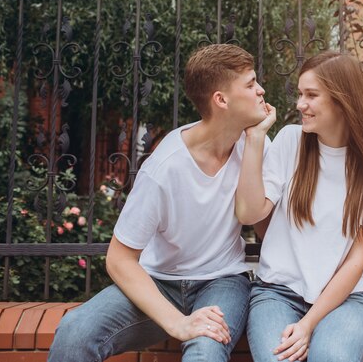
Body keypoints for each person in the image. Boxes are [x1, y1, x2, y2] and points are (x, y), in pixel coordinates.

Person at [48, 44, 272, 362]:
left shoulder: (256, 144)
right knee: (74, 333)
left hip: (224, 280)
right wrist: (177, 323)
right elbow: (120, 259)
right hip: (160, 283)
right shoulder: (165, 167)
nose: (261, 89)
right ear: (221, 100)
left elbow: (258, 219)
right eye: (250, 84)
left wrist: (258, 138)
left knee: (205, 349)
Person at [236, 51, 363, 362]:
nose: (300, 104)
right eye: (300, 94)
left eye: (311, 95)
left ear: (343, 100)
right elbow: (249, 214)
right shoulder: (289, 141)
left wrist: (308, 325)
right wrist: (256, 137)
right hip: (277, 294)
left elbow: (357, 261)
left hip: (346, 300)